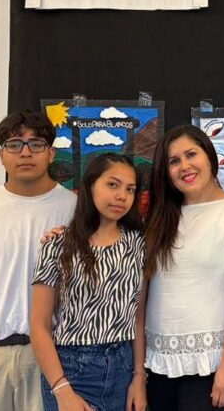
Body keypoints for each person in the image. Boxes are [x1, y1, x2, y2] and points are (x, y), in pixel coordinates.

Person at [143, 125, 224, 411]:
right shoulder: (161, 217)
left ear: (209, 156)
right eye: (174, 161)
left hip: (209, 367)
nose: (184, 166)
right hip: (157, 364)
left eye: (191, 154)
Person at [0, 110, 77, 411]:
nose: (25, 152)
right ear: (1, 155)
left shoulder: (77, 211)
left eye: (36, 144)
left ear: (50, 153)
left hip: (53, 359)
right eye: (14, 144)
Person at [31, 152, 147, 411]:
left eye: (130, 189)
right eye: (112, 184)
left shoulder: (139, 244)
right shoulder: (57, 245)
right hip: (71, 369)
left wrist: (139, 377)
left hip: (123, 367)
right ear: (90, 185)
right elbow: (39, 326)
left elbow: (138, 318)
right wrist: (61, 389)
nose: (122, 196)